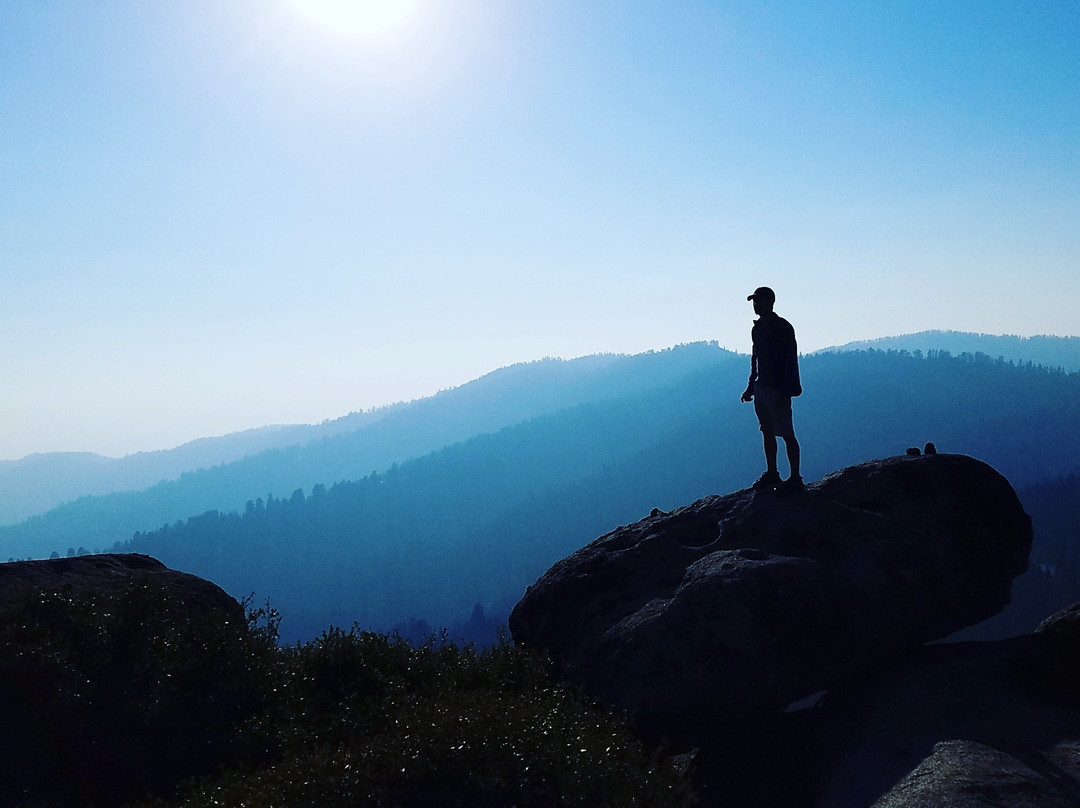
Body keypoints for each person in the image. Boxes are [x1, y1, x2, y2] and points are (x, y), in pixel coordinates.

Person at [740, 286, 803, 492]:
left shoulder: (783, 327)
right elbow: (755, 358)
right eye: (754, 302)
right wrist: (751, 386)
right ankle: (773, 473)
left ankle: (795, 478)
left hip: (778, 388)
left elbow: (790, 358)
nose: (755, 305)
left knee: (786, 433)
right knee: (767, 431)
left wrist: (789, 387)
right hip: (762, 386)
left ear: (770, 302)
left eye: (758, 301)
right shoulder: (757, 328)